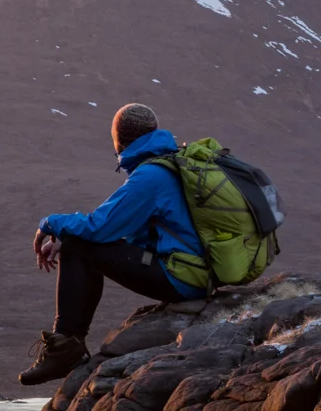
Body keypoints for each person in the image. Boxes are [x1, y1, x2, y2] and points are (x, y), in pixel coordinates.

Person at [19, 102, 203, 386]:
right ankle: (68, 346)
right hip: (195, 272)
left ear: (120, 140)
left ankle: (66, 348)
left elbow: (99, 227)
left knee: (79, 246)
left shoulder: (150, 176)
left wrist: (49, 223)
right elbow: (125, 229)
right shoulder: (169, 164)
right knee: (77, 241)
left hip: (183, 278)